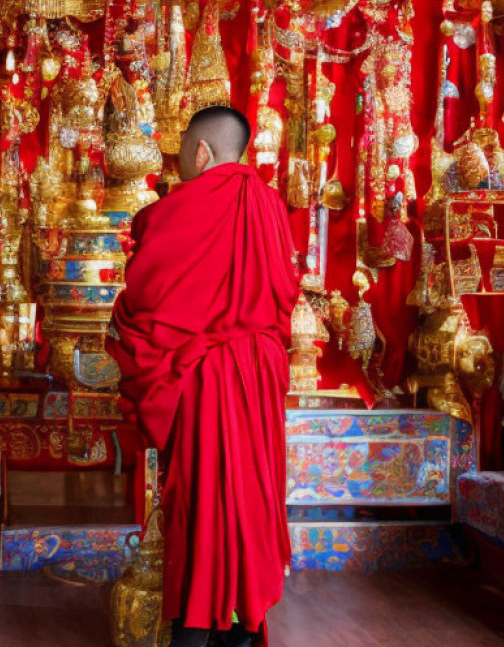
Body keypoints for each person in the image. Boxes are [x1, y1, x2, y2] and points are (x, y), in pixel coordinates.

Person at [106, 105, 300, 647]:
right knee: (250, 504)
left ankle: (194, 628)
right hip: (261, 376)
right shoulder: (270, 205)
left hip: (209, 379)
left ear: (202, 153)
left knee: (202, 505)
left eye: (182, 155)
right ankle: (241, 624)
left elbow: (148, 295)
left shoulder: (189, 204)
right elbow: (283, 295)